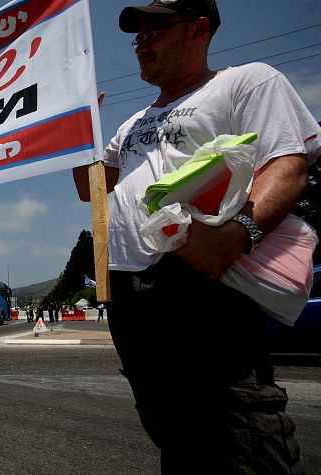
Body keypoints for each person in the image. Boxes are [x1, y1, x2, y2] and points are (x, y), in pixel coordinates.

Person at [73, 0, 320, 470]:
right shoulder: (131, 124)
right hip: (133, 294)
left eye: (154, 32)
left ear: (198, 29)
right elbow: (92, 189)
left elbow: (287, 167)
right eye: (137, 36)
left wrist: (236, 234)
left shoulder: (245, 81)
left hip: (200, 281)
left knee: (239, 428)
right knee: (176, 433)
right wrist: (76, 136)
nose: (140, 44)